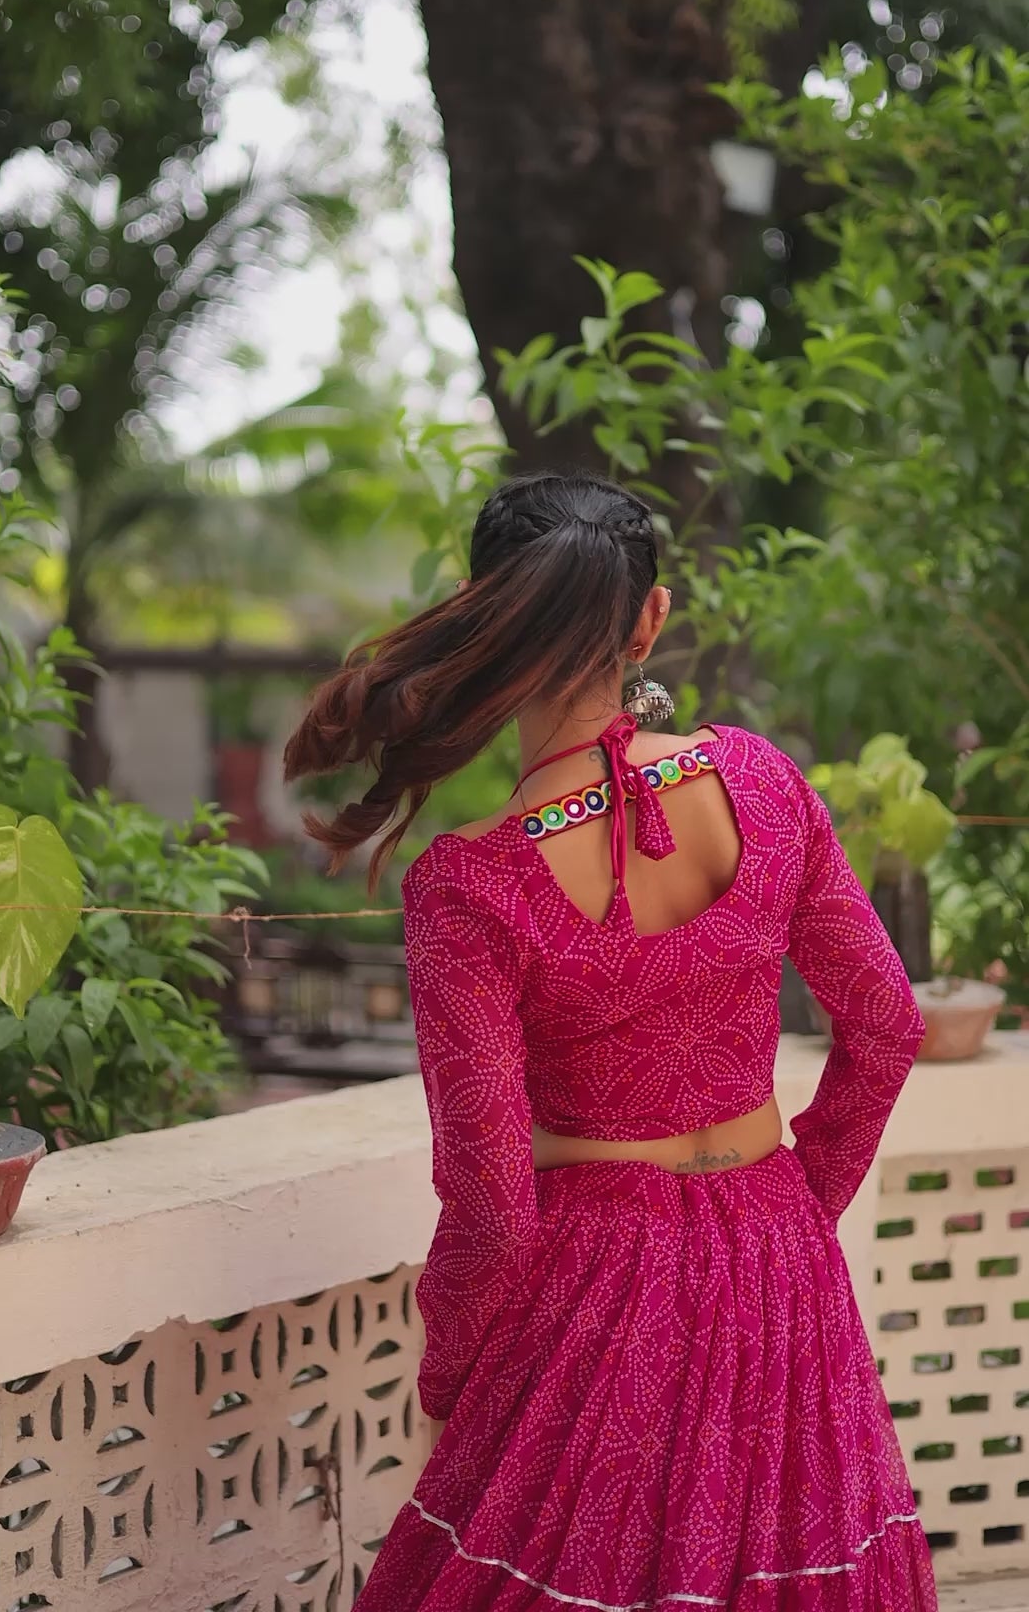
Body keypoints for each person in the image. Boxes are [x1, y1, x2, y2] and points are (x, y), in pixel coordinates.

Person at [284, 471, 938, 1611]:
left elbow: (488, 1192)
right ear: (651, 617)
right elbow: (886, 1024)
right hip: (778, 1257)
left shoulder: (467, 885)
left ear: (487, 608)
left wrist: (450, 1376)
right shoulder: (763, 785)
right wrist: (791, 1207)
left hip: (591, 1285)